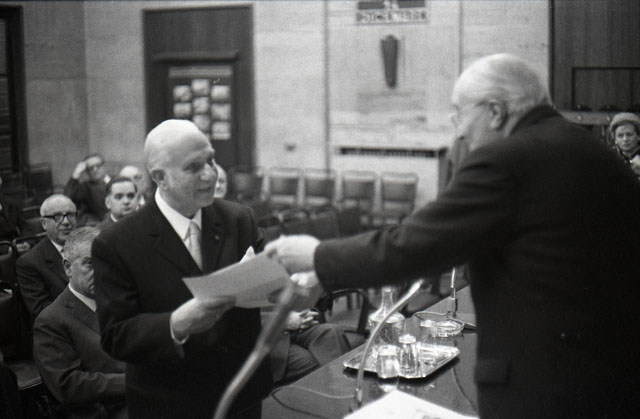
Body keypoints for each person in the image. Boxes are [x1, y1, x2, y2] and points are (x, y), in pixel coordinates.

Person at [266, 54, 640, 418]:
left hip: (546, 387)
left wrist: (317, 256)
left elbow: (415, 244)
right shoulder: (588, 148)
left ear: (495, 112)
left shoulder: (507, 159)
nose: (459, 131)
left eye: (460, 114)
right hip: (606, 375)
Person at [92, 119, 271, 419]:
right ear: (160, 178)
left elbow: (272, 282)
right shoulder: (116, 243)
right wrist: (175, 324)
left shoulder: (239, 219)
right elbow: (115, 335)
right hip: (169, 402)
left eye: (211, 160)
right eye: (193, 167)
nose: (210, 174)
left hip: (241, 393)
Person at [33, 227, 126, 419]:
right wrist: (132, 382)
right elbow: (69, 385)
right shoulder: (50, 321)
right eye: (90, 264)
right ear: (68, 268)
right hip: (108, 409)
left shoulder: (121, 299)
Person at [17, 194, 77, 321]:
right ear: (44, 224)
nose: (66, 222)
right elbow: (42, 311)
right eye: (57, 216)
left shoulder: (89, 248)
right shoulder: (29, 263)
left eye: (70, 215)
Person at [264, 306, 350, 385]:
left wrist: (307, 314)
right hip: (270, 340)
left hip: (298, 327)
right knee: (312, 363)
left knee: (333, 332)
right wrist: (282, 320)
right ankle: (338, 389)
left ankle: (344, 388)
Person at [65, 154, 111, 225]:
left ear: (105, 166)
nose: (95, 170)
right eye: (90, 168)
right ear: (86, 172)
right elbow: (67, 199)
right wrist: (76, 174)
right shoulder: (86, 187)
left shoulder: (117, 180)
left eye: (98, 165)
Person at [609, 112, 640, 179]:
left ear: (638, 136)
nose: (625, 139)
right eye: (620, 135)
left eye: (629, 135)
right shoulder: (609, 155)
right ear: (615, 139)